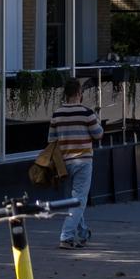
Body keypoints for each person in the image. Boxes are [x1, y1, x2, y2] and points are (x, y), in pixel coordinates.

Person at [49, 76, 102, 250]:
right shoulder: (87, 113)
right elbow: (98, 134)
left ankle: (83, 232)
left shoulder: (57, 115)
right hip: (83, 161)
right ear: (79, 93)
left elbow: (51, 140)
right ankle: (66, 236)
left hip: (64, 162)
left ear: (66, 94)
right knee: (79, 200)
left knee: (72, 201)